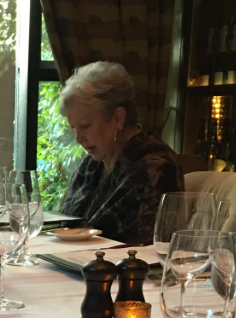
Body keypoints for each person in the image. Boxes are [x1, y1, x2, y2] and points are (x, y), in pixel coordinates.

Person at [59, 61, 184, 244]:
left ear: (118, 118)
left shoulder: (156, 167)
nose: (78, 138)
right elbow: (65, 225)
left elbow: (141, 245)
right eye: (73, 128)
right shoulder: (92, 165)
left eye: (85, 126)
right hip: (78, 265)